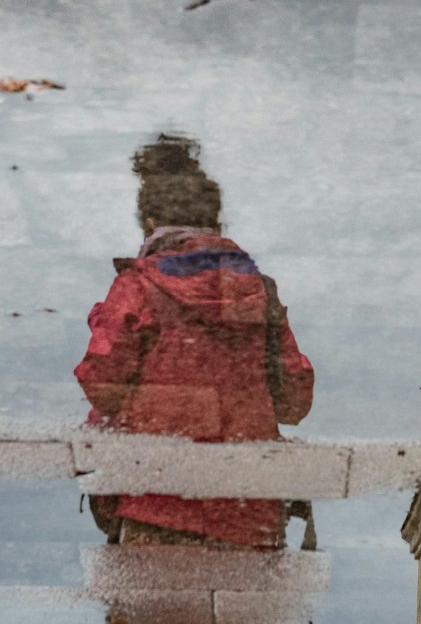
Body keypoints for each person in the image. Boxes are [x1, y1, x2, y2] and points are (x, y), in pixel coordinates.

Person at [74, 225, 314, 548]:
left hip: (153, 501)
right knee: (246, 599)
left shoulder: (139, 286)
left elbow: (101, 384)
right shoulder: (259, 292)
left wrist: (105, 322)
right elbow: (294, 402)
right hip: (247, 509)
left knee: (152, 598)